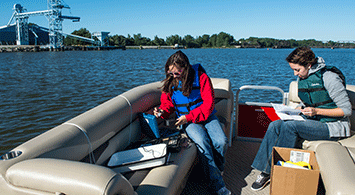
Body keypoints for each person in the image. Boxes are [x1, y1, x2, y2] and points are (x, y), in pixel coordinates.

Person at [250, 47, 352, 191]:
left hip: (333, 126)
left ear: (309, 65)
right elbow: (310, 99)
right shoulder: (304, 77)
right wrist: (299, 108)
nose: (295, 73)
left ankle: (282, 169)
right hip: (314, 121)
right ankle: (266, 171)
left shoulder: (329, 77)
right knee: (275, 125)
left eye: (297, 70)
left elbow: (346, 110)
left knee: (290, 127)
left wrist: (316, 111)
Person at [153, 50, 231, 195]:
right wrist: (161, 112)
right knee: (202, 142)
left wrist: (188, 117)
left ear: (186, 68)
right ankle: (218, 186)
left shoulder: (201, 77)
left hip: (204, 116)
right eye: (171, 73)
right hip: (188, 121)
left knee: (221, 141)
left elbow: (208, 106)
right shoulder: (171, 82)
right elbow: (167, 105)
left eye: (177, 73)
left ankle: (218, 169)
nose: (174, 76)